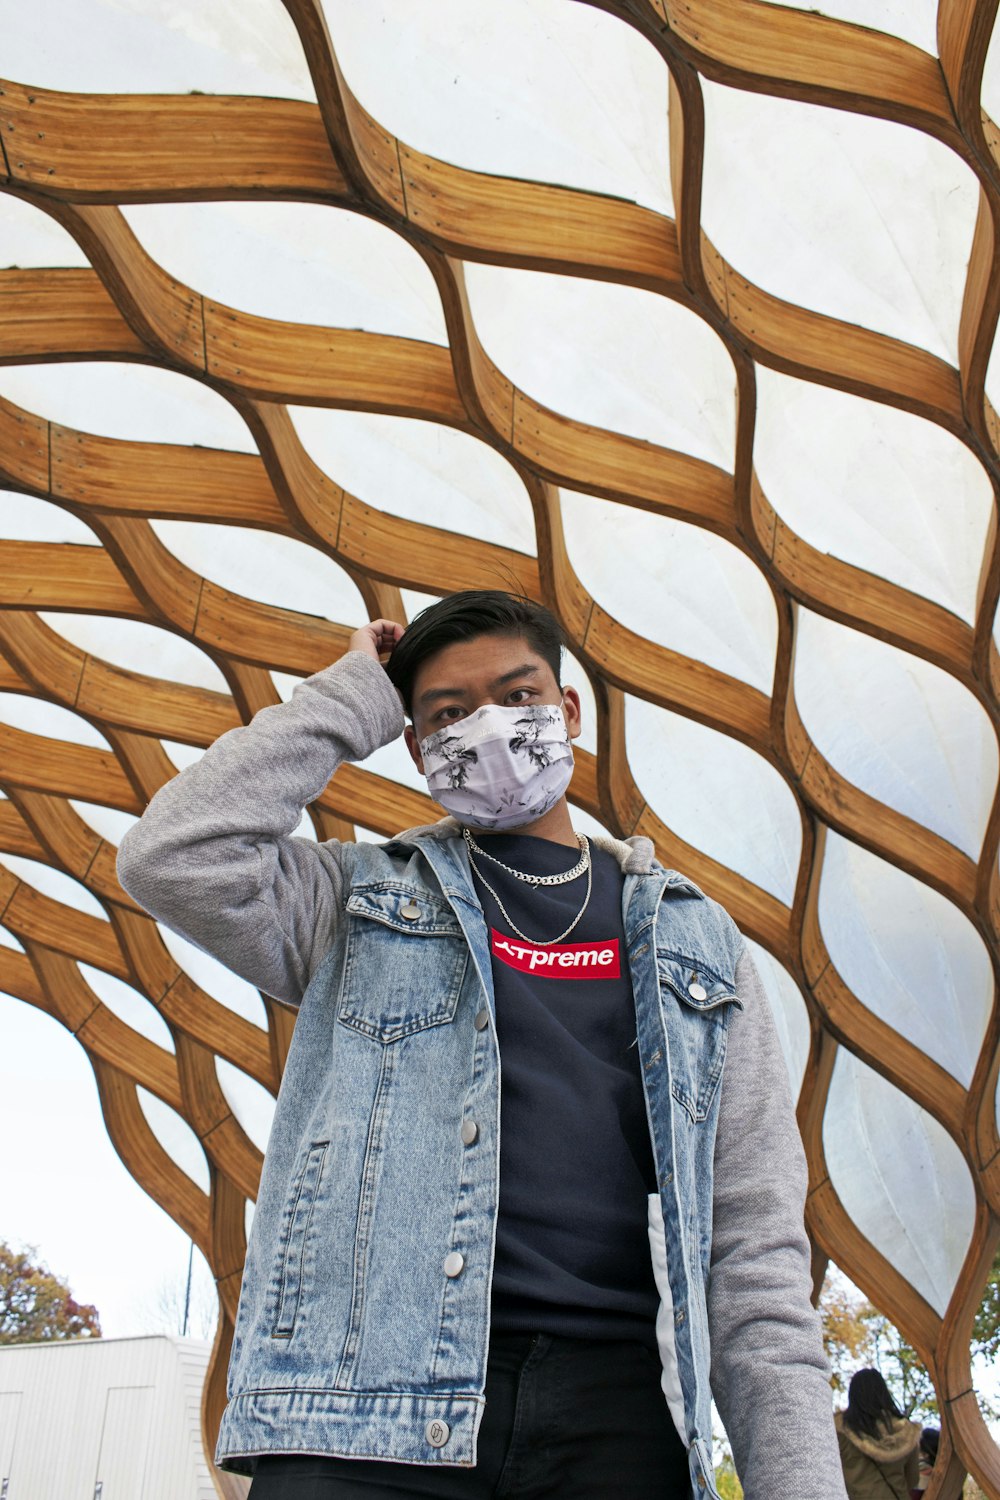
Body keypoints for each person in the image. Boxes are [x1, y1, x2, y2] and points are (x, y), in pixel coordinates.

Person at [117, 590, 846, 1499]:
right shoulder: (356, 901)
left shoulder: (699, 943)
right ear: (416, 749)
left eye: (516, 696)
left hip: (618, 1418)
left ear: (568, 712)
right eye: (449, 716)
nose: (490, 730)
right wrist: (357, 697)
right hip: (364, 1411)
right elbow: (173, 857)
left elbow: (756, 1256)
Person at [835, 1368, 920, 1499]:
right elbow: (913, 1479)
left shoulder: (840, 1431)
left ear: (853, 1395)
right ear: (884, 1392)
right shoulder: (906, 1432)